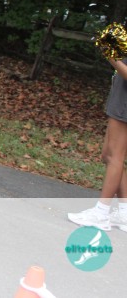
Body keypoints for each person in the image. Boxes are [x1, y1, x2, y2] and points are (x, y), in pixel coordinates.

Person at [67, 56, 127, 231]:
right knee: (107, 154)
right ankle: (124, 212)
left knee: (115, 156)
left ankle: (101, 212)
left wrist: (111, 55)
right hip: (121, 94)